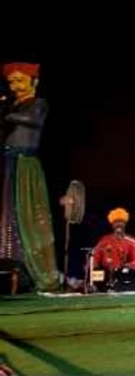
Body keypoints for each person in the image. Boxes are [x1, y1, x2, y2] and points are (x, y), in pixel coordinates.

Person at [0, 62, 60, 292]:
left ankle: (42, 275)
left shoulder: (38, 104)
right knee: (8, 216)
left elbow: (33, 121)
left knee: (29, 217)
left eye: (19, 80)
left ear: (34, 81)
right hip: (8, 163)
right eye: (11, 82)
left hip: (25, 165)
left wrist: (8, 113)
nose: (15, 86)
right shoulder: (12, 105)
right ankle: (11, 267)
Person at [91, 208, 135, 288]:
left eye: (121, 222)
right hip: (106, 275)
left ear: (125, 224)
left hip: (125, 274)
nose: (118, 224)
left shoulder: (131, 240)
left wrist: (132, 265)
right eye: (116, 222)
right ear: (112, 224)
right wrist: (95, 270)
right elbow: (95, 257)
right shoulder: (105, 240)